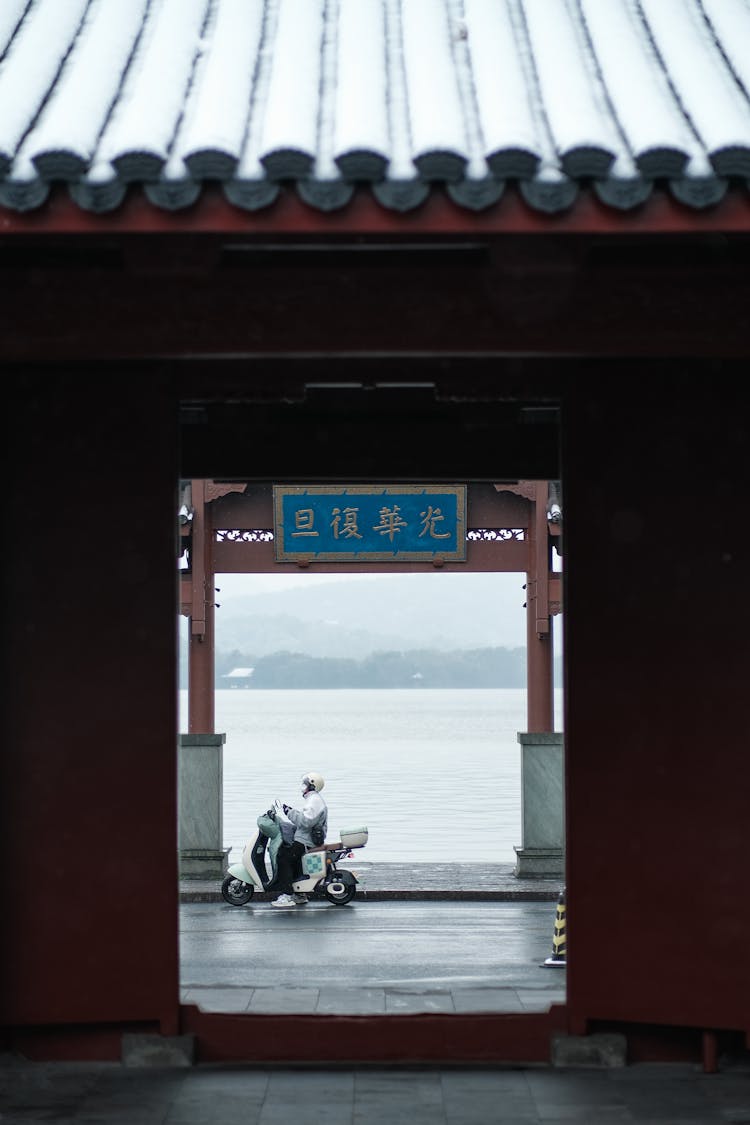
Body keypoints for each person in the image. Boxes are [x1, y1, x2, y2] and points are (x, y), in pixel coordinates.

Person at [270, 771, 328, 909]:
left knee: (283, 857)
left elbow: (305, 821)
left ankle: (287, 894)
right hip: (305, 838)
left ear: (312, 786)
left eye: (305, 784)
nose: (303, 786)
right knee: (294, 860)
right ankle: (299, 893)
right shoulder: (313, 799)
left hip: (307, 841)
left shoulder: (315, 800)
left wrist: (289, 812)